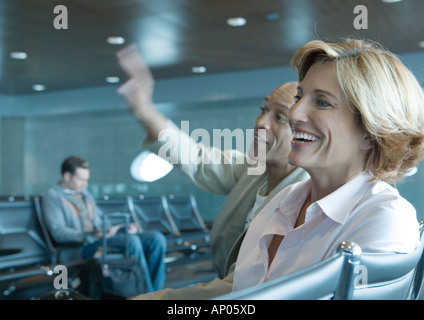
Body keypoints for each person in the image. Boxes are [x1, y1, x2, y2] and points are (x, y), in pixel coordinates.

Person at [115, 45, 309, 299]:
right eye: (263, 110)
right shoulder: (255, 171)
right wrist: (144, 110)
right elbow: (195, 157)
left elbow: (245, 287)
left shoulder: (305, 195)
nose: (260, 122)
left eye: (280, 118)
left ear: (305, 132)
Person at [232, 38, 424, 292]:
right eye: (299, 97)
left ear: (371, 132)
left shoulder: (384, 218)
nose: (295, 113)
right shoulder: (283, 201)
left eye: (322, 102)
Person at [42, 156, 167, 293]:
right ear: (66, 176)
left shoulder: (85, 195)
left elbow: (101, 221)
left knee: (156, 239)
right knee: (131, 242)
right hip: (78, 248)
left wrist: (122, 228)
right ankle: (146, 295)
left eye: (86, 180)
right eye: (81, 180)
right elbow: (58, 233)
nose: (85, 184)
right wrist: (90, 234)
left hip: (98, 240)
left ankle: (155, 293)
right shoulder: (53, 197)